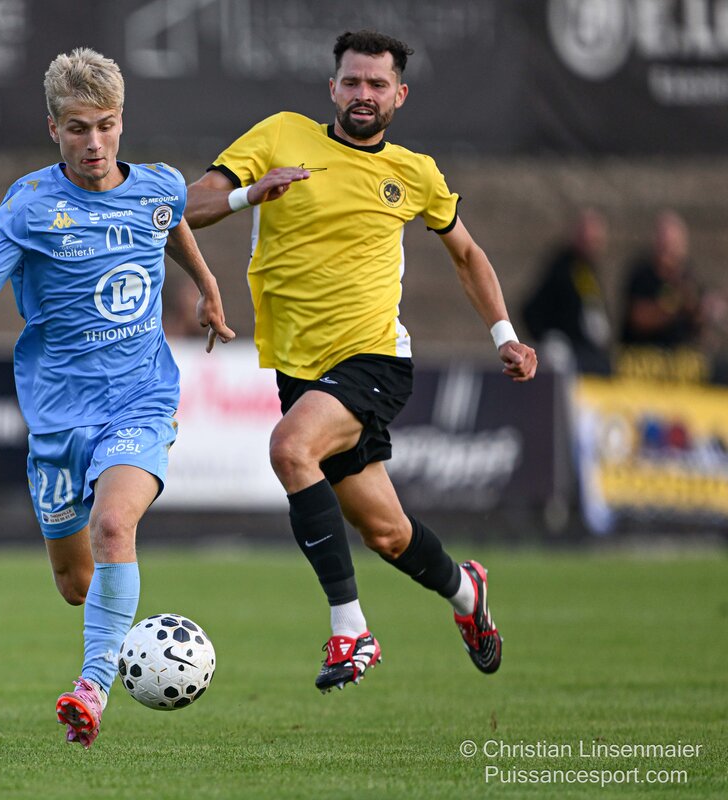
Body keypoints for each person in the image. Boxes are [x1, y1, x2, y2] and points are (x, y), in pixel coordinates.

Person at [184, 30, 537, 692]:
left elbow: (466, 254)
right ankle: (468, 593)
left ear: (400, 95)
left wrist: (504, 336)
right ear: (333, 89)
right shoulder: (281, 135)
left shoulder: (415, 172)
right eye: (352, 82)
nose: (363, 94)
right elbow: (189, 204)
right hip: (300, 371)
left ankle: (351, 630)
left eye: (377, 84)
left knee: (290, 449)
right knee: (388, 534)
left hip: (374, 358)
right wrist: (246, 196)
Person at [0, 48, 234, 748]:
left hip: (140, 398)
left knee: (114, 526)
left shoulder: (155, 185)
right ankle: (119, 632)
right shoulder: (29, 205)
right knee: (75, 583)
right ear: (53, 129)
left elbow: (172, 218)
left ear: (122, 122)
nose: (94, 142)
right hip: (59, 416)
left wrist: (208, 285)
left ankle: (91, 689)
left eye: (106, 125)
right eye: (77, 128)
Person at [522, 208, 614, 374]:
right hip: (566, 350)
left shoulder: (589, 271)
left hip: (586, 349)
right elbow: (531, 310)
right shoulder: (561, 267)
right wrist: (547, 336)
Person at [620, 211, 713, 350]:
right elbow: (639, 318)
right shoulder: (642, 275)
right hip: (644, 355)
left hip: (679, 355)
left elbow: (697, 324)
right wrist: (674, 303)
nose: (669, 252)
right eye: (665, 245)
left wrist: (698, 311)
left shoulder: (689, 277)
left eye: (674, 245)